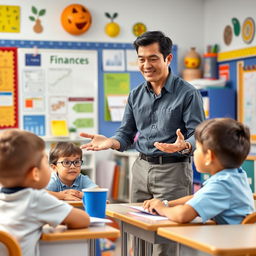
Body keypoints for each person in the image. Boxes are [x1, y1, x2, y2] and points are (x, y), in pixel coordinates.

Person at [80, 31, 205, 255]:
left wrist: (184, 145)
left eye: (153, 58)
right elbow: (126, 134)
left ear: (168, 59)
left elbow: (198, 134)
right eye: (141, 59)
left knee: (164, 241)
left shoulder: (188, 93)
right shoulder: (135, 95)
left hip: (173, 171)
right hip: (140, 169)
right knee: (136, 232)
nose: (146, 65)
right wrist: (111, 142)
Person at [143, 118, 255, 224]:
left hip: (231, 242)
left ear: (209, 156)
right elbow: (197, 198)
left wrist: (161, 208)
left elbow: (182, 215)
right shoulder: (235, 175)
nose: (194, 153)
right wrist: (166, 203)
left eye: (197, 148)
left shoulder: (222, 184)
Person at [0, 129, 90, 256]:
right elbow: (83, 220)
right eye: (46, 163)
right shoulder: (36, 198)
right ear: (35, 173)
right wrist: (62, 217)